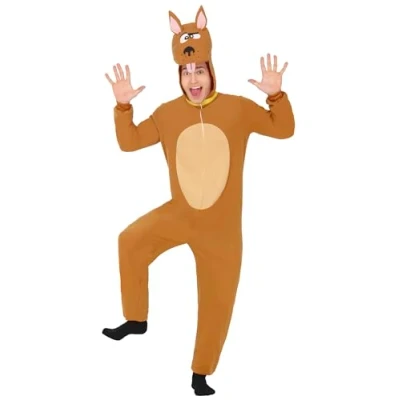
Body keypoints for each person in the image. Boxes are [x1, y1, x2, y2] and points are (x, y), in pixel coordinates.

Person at [102, 5, 295, 396]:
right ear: (179, 75)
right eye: (186, 72)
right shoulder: (167, 114)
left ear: (211, 70)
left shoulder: (238, 109)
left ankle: (200, 373)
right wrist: (123, 107)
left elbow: (284, 129)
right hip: (180, 215)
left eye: (199, 70)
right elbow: (130, 142)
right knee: (130, 241)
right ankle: (136, 319)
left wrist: (276, 96)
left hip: (221, 233)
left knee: (216, 301)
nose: (193, 79)